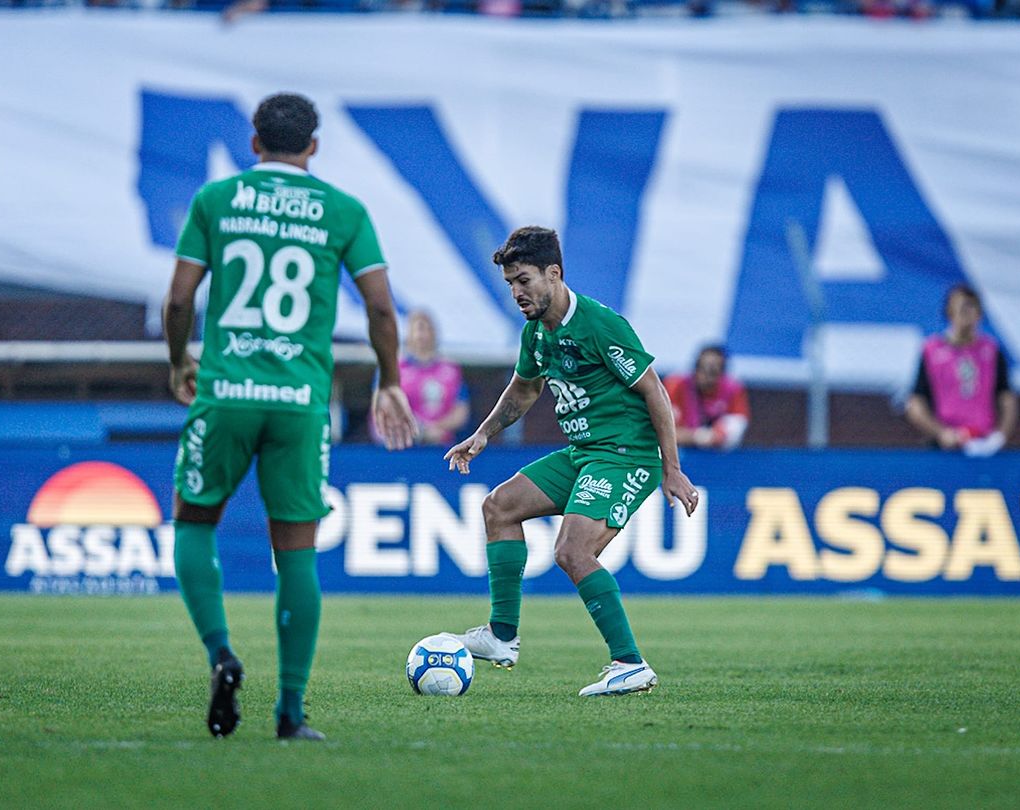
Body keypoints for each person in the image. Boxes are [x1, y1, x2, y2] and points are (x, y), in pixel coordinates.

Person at [163, 93, 416, 741]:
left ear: (254, 144)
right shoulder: (343, 210)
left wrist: (177, 360)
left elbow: (180, 297)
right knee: (296, 555)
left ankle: (221, 653)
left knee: (194, 522)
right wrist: (389, 382)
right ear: (314, 147)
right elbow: (383, 311)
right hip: (301, 403)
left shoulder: (215, 200)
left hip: (226, 391)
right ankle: (290, 712)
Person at [443, 226, 699, 697]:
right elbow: (524, 389)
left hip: (624, 455)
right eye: (510, 284)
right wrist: (482, 434)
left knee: (572, 551)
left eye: (524, 280)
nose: (517, 293)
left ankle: (630, 663)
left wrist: (672, 467)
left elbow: (655, 392)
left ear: (553, 274)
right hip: (584, 453)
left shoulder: (600, 324)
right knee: (498, 507)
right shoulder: (536, 334)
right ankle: (502, 637)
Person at [905, 283, 1016, 456]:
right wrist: (941, 432)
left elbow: (1007, 398)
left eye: (973, 308)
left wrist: (1000, 436)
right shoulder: (932, 350)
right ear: (949, 312)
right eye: (962, 308)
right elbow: (916, 403)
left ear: (980, 314)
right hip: (945, 445)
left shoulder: (991, 350)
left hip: (984, 444)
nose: (968, 314)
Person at [390, 309, 470, 446]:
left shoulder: (451, 370)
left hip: (442, 445)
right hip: (404, 446)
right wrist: (421, 431)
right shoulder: (395, 369)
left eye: (427, 329)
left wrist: (437, 428)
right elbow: (387, 408)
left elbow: (461, 410)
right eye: (418, 329)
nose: (423, 335)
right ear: (409, 334)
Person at [663, 345, 750, 451]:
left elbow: (730, 435)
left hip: (713, 457)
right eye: (702, 369)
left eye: (713, 372)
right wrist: (698, 437)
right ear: (695, 368)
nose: (707, 377)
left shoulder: (733, 390)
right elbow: (663, 432)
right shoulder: (675, 385)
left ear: (722, 373)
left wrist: (706, 437)